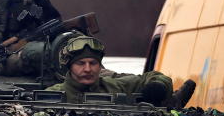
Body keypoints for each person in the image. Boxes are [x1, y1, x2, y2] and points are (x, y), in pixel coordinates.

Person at [46, 35, 177, 105]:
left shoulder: (116, 86)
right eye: (80, 63)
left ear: (100, 66)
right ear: (70, 66)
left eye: (93, 63)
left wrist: (158, 86)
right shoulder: (51, 94)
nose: (87, 69)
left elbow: (153, 76)